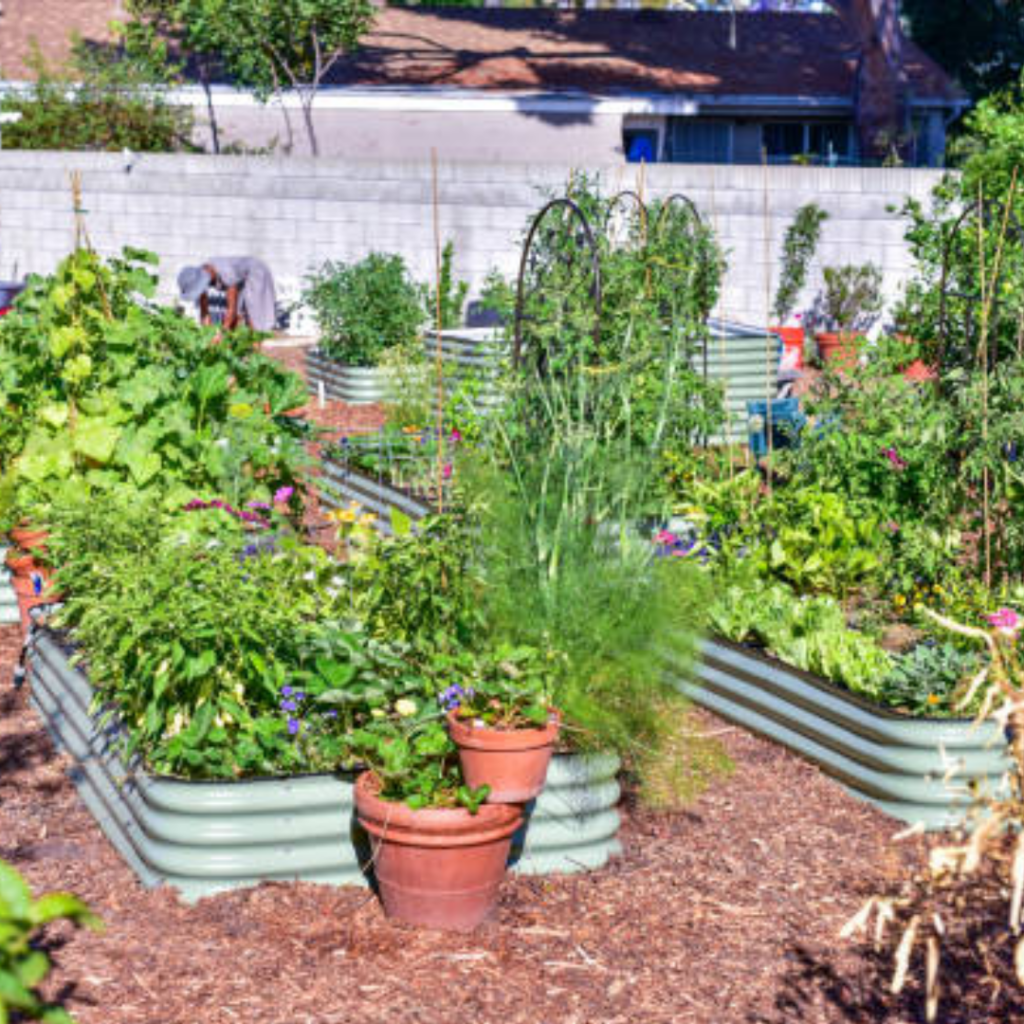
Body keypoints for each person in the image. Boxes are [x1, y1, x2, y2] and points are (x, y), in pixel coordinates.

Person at [177, 256, 277, 333]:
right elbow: (204, 311)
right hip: (241, 279)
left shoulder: (226, 274)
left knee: (253, 315)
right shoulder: (200, 274)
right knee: (239, 318)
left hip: (256, 271)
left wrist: (222, 333)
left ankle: (256, 349)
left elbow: (231, 309)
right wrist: (207, 333)